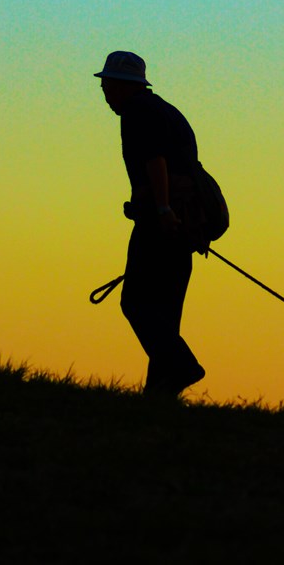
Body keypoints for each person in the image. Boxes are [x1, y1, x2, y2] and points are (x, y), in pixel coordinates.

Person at [95, 50, 206, 398]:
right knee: (165, 310)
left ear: (123, 85)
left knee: (137, 303)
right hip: (184, 223)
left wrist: (160, 208)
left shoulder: (137, 113)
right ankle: (159, 393)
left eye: (108, 85)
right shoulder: (166, 111)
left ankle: (184, 368)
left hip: (162, 222)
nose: (105, 93)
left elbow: (154, 159)